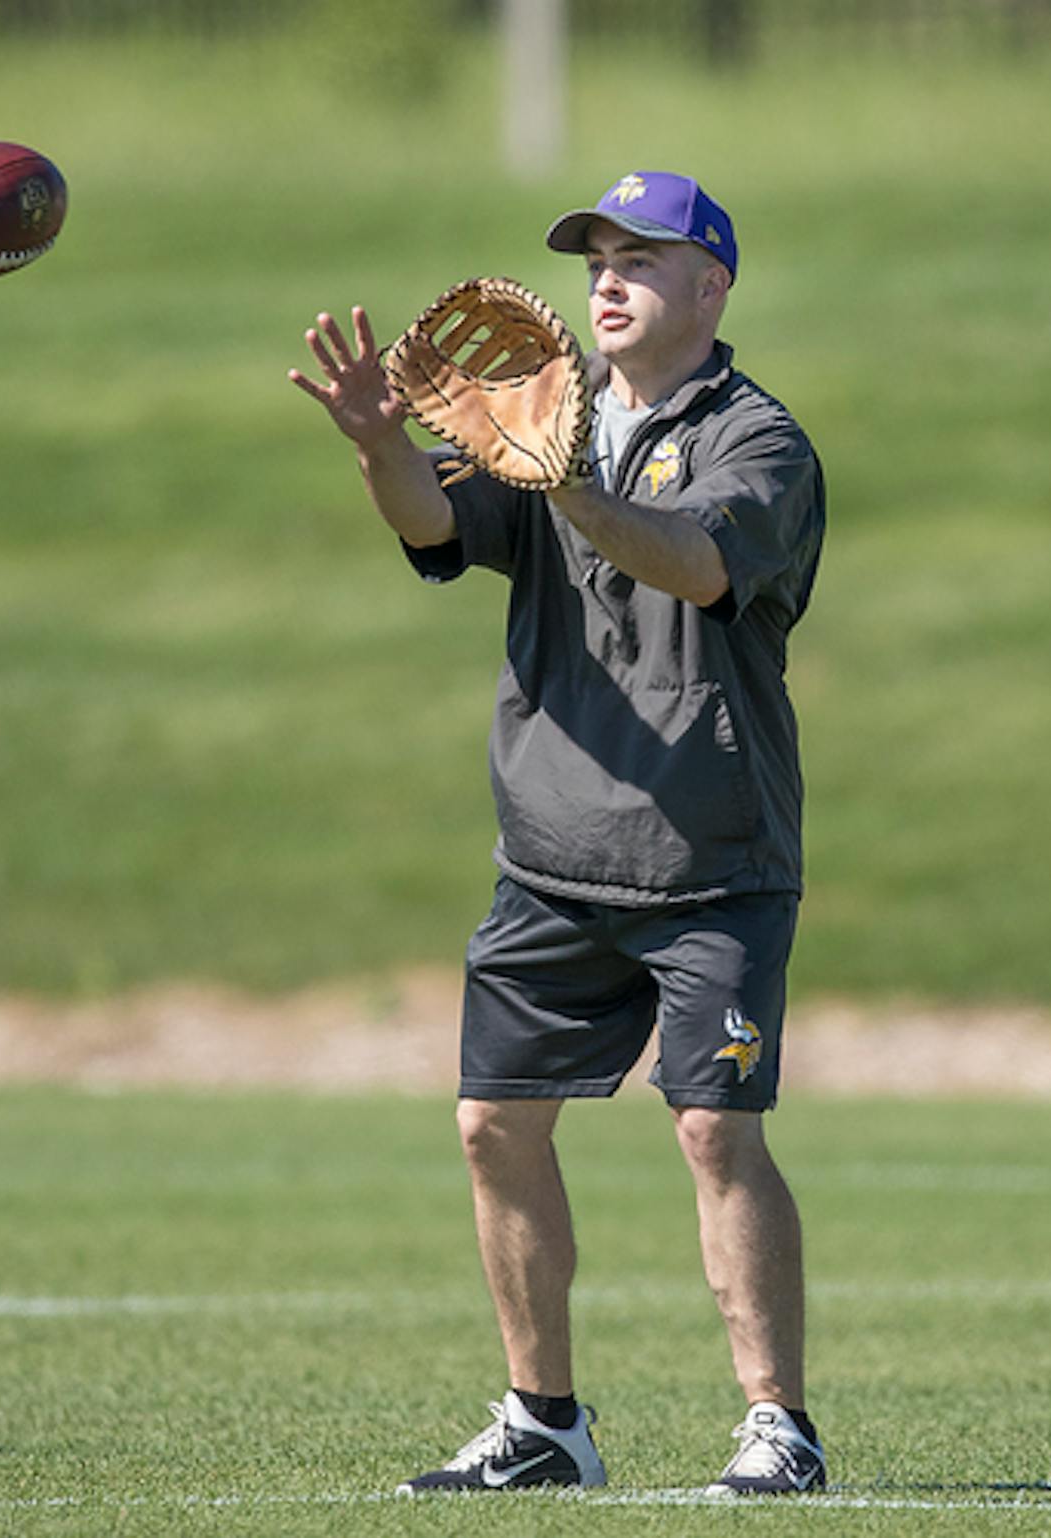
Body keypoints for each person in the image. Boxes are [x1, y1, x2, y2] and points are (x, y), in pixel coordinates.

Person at [289, 170, 826, 1499]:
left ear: (713, 286)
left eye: (643, 255)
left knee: (713, 1130)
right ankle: (546, 1423)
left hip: (712, 862)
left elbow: (697, 564)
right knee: (492, 1125)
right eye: (596, 252)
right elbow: (437, 524)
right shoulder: (543, 419)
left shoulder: (759, 441)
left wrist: (571, 485)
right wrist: (379, 444)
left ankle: (781, 1429)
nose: (607, 275)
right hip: (552, 859)